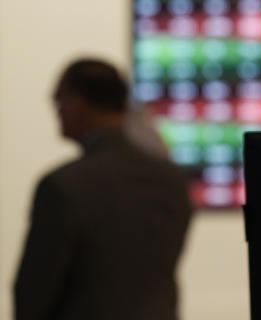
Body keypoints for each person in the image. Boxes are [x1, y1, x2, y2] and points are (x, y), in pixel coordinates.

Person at [14, 59, 192, 320]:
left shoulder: (63, 185)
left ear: (79, 101)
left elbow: (34, 292)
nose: (57, 110)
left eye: (59, 99)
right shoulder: (171, 180)